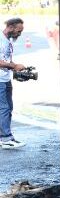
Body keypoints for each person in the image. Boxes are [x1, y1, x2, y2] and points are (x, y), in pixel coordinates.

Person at [0, 17, 26, 150]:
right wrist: (14, 66)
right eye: (18, 31)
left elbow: (5, 60)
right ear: (10, 27)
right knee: (4, 109)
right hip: (0, 81)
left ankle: (5, 136)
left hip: (5, 79)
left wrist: (15, 70)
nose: (19, 34)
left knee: (8, 108)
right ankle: (6, 139)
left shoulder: (7, 41)